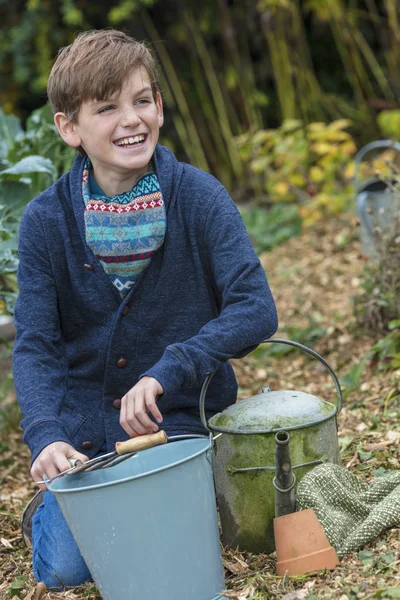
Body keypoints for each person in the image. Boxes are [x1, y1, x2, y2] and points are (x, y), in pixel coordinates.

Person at [13, 29, 278, 589]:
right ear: (68, 128)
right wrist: (45, 436)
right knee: (66, 570)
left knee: (175, 552)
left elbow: (255, 308)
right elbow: (34, 345)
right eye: (107, 108)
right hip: (85, 443)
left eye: (142, 100)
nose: (131, 120)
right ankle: (50, 510)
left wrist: (170, 368)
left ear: (160, 106)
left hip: (178, 428)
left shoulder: (199, 197)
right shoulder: (44, 222)